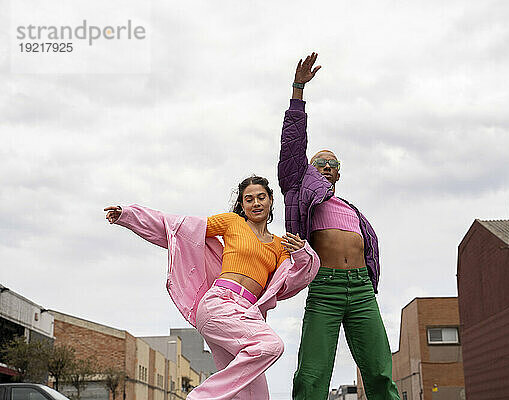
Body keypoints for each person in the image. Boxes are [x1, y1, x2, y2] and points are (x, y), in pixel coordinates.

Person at [104, 175, 320, 400]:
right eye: (249, 199)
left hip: (246, 314)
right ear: (242, 205)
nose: (256, 203)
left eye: (261, 197)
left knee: (255, 396)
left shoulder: (280, 246)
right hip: (220, 303)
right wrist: (128, 215)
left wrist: (302, 253)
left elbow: (293, 281)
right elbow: (178, 228)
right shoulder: (232, 223)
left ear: (271, 199)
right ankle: (200, 397)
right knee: (270, 345)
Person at [278, 53, 400, 400]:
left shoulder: (351, 210)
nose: (326, 166)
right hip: (325, 290)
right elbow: (292, 145)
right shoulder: (300, 190)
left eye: (333, 163)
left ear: (339, 172)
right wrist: (298, 90)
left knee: (378, 372)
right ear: (308, 169)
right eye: (320, 162)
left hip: (362, 291)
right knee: (312, 375)